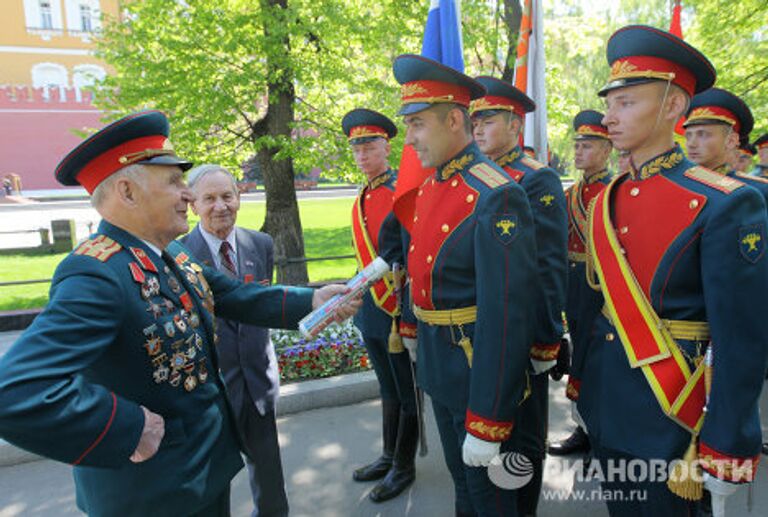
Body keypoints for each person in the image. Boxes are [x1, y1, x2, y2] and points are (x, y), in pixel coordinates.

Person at [0, 111, 359, 517]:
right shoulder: (96, 273)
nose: (188, 195)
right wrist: (128, 427)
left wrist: (311, 300)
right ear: (127, 192)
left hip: (203, 471)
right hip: (152, 494)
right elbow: (13, 391)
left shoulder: (168, 250)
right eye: (173, 181)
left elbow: (233, 295)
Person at [577, 26, 768, 515]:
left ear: (671, 108)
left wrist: (729, 446)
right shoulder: (608, 197)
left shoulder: (725, 202)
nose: (608, 116)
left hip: (675, 414)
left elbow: (740, 339)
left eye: (626, 103)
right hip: (606, 402)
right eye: (610, 102)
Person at [393, 53, 538, 516]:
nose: (410, 138)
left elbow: (508, 314)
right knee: (464, 491)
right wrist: (415, 328)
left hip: (478, 373)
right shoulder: (434, 184)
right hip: (442, 363)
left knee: (490, 499)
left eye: (417, 124)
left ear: (455, 120)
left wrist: (489, 418)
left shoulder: (496, 193)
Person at [470, 75, 568, 517]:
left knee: (523, 438)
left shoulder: (536, 179)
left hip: (522, 330)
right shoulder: (473, 176)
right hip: (481, 327)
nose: (477, 128)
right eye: (474, 119)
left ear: (514, 125)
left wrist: (545, 339)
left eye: (487, 119)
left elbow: (548, 266)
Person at [181, 163, 288, 517]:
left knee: (270, 482)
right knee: (213, 490)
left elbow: (262, 305)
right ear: (193, 204)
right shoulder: (175, 255)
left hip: (257, 383)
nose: (220, 206)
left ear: (239, 197)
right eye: (208, 198)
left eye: (227, 196)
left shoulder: (261, 244)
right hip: (210, 394)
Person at [343, 108, 419, 502]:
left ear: (386, 147)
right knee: (387, 388)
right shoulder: (365, 194)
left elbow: (410, 252)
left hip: (398, 307)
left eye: (369, 146)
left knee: (407, 393)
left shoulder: (399, 191)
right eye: (356, 148)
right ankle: (390, 455)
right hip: (373, 308)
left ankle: (404, 466)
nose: (362, 154)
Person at [550, 110, 614, 460]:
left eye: (587, 146)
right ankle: (583, 428)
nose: (577, 152)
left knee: (599, 360)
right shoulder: (571, 193)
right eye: (576, 145)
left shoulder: (614, 191)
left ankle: (601, 432)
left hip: (602, 288)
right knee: (580, 357)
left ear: (606, 150)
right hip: (574, 284)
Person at [683, 87, 768, 201]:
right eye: (688, 136)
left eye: (703, 135)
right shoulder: (675, 183)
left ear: (731, 141)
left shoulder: (758, 192)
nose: (691, 144)